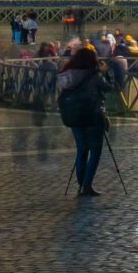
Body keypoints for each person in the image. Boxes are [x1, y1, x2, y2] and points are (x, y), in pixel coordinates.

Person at [55, 46, 109, 196]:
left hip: (75, 117)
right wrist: (105, 72)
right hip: (92, 116)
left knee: (82, 150)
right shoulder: (94, 76)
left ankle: (81, 184)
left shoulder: (71, 75)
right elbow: (110, 88)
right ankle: (87, 185)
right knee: (96, 151)